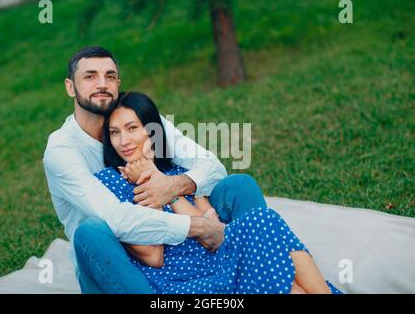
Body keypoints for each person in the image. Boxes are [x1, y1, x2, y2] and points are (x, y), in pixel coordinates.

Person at [43, 46, 269, 293]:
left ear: (118, 83)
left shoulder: (136, 118)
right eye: (89, 77)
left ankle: (261, 277)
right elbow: (116, 219)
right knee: (91, 231)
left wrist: (171, 186)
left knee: (239, 186)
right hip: (118, 260)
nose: (101, 84)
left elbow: (212, 167)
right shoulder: (61, 151)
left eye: (109, 76)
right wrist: (201, 226)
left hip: (174, 250)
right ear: (70, 87)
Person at [82, 91, 342, 294]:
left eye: (131, 128)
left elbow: (211, 234)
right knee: (272, 276)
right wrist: (146, 184)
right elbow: (154, 255)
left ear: (152, 131)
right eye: (115, 133)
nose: (124, 141)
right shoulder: (108, 183)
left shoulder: (174, 172)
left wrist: (164, 186)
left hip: (216, 262)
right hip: (179, 282)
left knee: (264, 221)